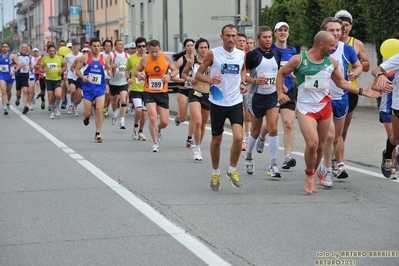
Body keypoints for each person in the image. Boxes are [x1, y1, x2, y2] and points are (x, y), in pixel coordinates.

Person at [277, 31, 378, 194]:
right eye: (332, 45)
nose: (334, 47)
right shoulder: (299, 59)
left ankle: (312, 174)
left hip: (324, 107)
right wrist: (280, 93)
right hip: (306, 108)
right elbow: (281, 73)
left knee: (322, 146)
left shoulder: (331, 62)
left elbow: (341, 82)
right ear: (321, 45)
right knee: (312, 144)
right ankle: (309, 176)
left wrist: (361, 91)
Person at [194, 24, 247, 191]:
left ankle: (232, 169)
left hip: (236, 101)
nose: (231, 39)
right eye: (228, 36)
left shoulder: (240, 54)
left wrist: (243, 82)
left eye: (234, 36)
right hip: (217, 102)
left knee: (238, 138)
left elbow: (243, 70)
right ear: (222, 37)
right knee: (217, 140)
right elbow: (198, 74)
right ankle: (215, 172)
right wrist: (210, 80)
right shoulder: (213, 53)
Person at [316, 17, 362, 188]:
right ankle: (326, 169)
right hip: (321, 99)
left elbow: (358, 66)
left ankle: (325, 165)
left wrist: (354, 74)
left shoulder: (347, 49)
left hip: (341, 98)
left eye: (338, 30)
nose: (335, 34)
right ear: (323, 32)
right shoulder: (318, 49)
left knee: (336, 138)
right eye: (331, 30)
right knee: (325, 137)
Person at [333, 10, 370, 179]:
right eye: (340, 25)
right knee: (332, 132)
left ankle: (336, 156)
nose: (342, 28)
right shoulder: (326, 43)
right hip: (331, 91)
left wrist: (357, 70)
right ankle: (337, 160)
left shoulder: (356, 44)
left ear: (350, 27)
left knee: (343, 130)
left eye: (345, 25)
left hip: (350, 90)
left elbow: (365, 63)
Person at [256, 22, 298, 170]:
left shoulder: (293, 51)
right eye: (280, 30)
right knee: (272, 125)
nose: (283, 33)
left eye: (285, 30)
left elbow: (294, 69)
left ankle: (287, 157)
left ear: (288, 33)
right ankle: (261, 137)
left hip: (289, 92)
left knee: (288, 123)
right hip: (272, 92)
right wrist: (277, 84)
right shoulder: (269, 50)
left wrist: (294, 76)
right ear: (275, 33)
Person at [244, 25, 282, 178]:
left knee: (273, 128)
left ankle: (273, 165)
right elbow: (242, 76)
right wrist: (255, 80)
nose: (268, 40)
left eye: (269, 37)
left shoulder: (277, 54)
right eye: (264, 37)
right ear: (258, 39)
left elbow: (278, 74)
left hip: (272, 96)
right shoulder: (252, 55)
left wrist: (281, 84)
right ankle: (248, 157)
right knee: (255, 130)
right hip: (257, 97)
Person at [134, 39, 179, 152]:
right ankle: (155, 143)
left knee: (164, 122)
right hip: (149, 91)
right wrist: (138, 74)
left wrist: (169, 76)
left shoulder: (166, 58)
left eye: (156, 52)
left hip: (162, 92)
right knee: (153, 118)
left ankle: (157, 129)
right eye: (152, 52)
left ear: (159, 49)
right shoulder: (145, 59)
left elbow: (174, 70)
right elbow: (136, 71)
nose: (154, 54)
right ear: (148, 50)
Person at [74, 37, 109, 143]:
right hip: (88, 88)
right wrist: (82, 77)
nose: (96, 48)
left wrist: (111, 72)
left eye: (98, 46)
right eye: (94, 46)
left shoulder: (105, 58)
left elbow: (108, 69)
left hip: (100, 88)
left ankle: (98, 133)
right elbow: (76, 70)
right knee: (88, 113)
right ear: (90, 47)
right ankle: (87, 118)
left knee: (99, 110)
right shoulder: (84, 57)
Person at [181, 38, 211, 161]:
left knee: (203, 124)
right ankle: (197, 149)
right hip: (195, 92)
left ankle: (198, 144)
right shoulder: (192, 61)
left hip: (208, 94)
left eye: (205, 47)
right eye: (201, 47)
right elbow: (183, 74)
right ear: (197, 49)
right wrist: (189, 79)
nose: (204, 50)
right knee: (197, 121)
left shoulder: (212, 61)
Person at [371, 54, 399, 178]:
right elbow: (374, 83)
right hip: (389, 107)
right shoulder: (390, 66)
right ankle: (388, 161)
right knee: (394, 137)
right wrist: (382, 85)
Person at [173, 39, 196, 148]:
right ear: (184, 48)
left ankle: (189, 139)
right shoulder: (181, 60)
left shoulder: (198, 59)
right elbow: (173, 76)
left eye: (192, 45)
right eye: (188, 46)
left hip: (195, 90)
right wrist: (183, 80)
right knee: (183, 117)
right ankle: (178, 118)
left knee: (193, 115)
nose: (190, 47)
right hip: (183, 90)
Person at [125, 37, 148, 141]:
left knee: (144, 112)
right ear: (136, 47)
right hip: (135, 88)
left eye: (143, 46)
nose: (142, 48)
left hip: (147, 89)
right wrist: (128, 78)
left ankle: (141, 131)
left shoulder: (149, 57)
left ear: (146, 46)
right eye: (139, 46)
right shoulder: (131, 58)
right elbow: (127, 70)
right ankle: (135, 126)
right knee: (138, 109)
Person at [40, 44, 66, 119]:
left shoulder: (59, 58)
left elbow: (64, 65)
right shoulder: (45, 59)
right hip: (48, 80)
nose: (52, 52)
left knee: (58, 95)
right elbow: (40, 68)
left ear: (55, 51)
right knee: (51, 97)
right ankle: (52, 112)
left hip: (57, 79)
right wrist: (43, 70)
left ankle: (57, 107)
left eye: (53, 51)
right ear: (47, 51)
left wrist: (62, 70)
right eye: (50, 51)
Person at [107, 39, 129, 129]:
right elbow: (106, 65)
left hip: (123, 81)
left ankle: (122, 121)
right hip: (114, 82)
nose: (122, 46)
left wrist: (129, 76)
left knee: (123, 100)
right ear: (115, 46)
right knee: (114, 101)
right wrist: (113, 66)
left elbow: (130, 67)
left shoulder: (127, 56)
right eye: (119, 44)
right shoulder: (112, 55)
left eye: (123, 44)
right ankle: (115, 112)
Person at [236, 33, 252, 151]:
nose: (242, 43)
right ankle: (243, 140)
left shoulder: (249, 55)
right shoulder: (234, 55)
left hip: (248, 86)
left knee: (248, 115)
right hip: (236, 88)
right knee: (240, 113)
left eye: (243, 41)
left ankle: (247, 134)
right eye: (239, 40)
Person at [0, 42, 20, 115]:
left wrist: (14, 71)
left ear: (8, 48)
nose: (4, 48)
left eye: (6, 47)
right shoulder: (0, 56)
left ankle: (8, 101)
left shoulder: (11, 56)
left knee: (8, 92)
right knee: (3, 91)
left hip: (10, 76)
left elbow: (18, 65)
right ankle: (5, 107)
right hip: (1, 75)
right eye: (3, 47)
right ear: (1, 48)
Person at [64, 41, 82, 116]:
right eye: (73, 45)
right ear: (72, 47)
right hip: (71, 75)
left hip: (79, 76)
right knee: (73, 90)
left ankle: (75, 105)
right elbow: (65, 65)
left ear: (79, 47)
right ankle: (71, 104)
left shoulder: (82, 55)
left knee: (79, 96)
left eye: (76, 45)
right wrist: (65, 74)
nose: (75, 47)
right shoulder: (68, 56)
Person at [15, 43, 32, 114]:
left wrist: (31, 68)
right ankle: (18, 97)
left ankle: (25, 106)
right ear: (21, 48)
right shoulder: (17, 55)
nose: (24, 49)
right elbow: (14, 64)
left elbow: (30, 64)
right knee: (18, 91)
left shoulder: (29, 56)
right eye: (23, 47)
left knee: (25, 91)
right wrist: (19, 65)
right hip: (18, 75)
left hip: (25, 76)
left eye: (26, 48)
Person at [101, 39, 113, 118]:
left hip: (112, 76)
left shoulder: (113, 54)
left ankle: (106, 108)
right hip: (103, 76)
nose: (108, 48)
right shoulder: (100, 55)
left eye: (109, 46)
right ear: (104, 47)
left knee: (110, 95)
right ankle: (103, 106)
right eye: (106, 46)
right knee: (107, 92)